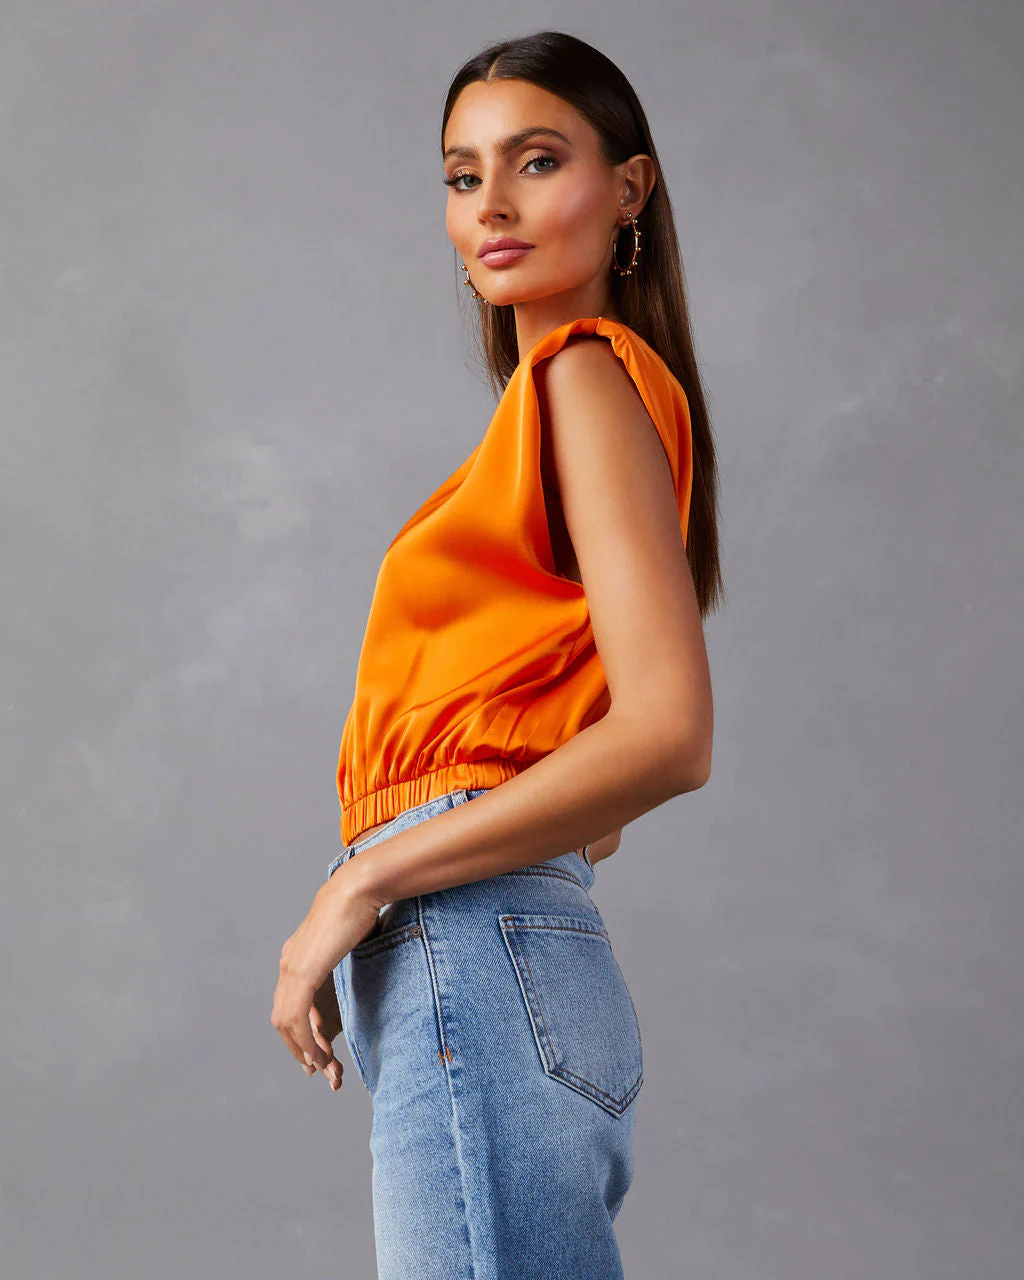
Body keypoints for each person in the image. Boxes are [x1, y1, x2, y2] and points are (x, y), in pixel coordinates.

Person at [272, 29, 722, 1280]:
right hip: (507, 945)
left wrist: (359, 885)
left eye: (537, 161)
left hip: (470, 939)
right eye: (463, 176)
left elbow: (668, 735)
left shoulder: (582, 377)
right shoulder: (570, 406)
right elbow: (594, 794)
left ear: (628, 189)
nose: (493, 206)